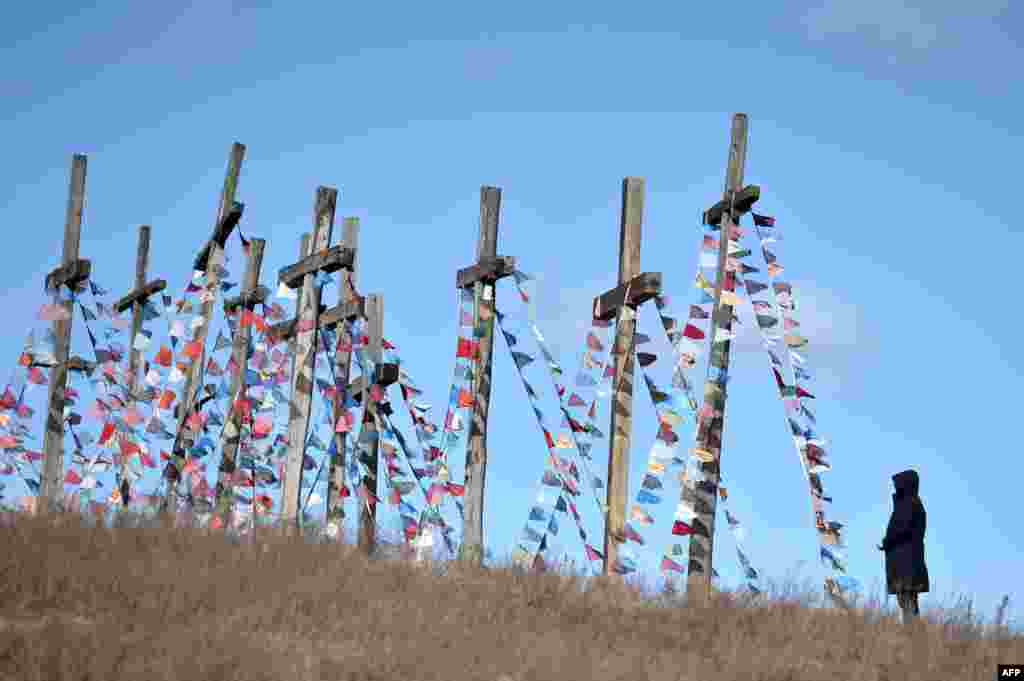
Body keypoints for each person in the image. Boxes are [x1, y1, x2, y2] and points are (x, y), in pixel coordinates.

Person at [878, 469, 929, 623]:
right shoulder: (910, 503)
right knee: (907, 602)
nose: (895, 488)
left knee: (908, 603)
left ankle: (913, 636)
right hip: (906, 563)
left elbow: (902, 529)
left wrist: (888, 541)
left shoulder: (909, 504)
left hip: (906, 564)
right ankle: (913, 635)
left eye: (898, 485)